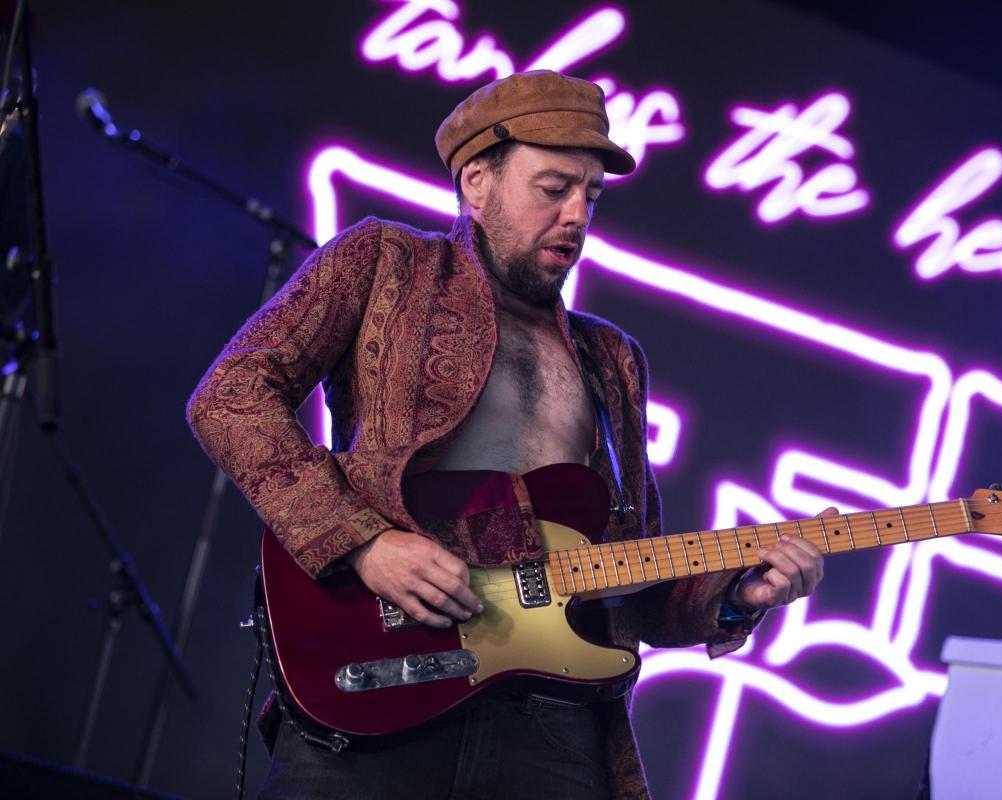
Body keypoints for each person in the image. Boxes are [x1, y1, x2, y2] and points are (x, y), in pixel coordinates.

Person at [187, 70, 825, 800]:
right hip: (378, 689)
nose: (578, 215)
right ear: (477, 182)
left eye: (592, 195)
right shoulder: (383, 263)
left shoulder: (612, 359)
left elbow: (627, 581)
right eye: (553, 188)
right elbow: (230, 396)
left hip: (550, 733)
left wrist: (740, 595)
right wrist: (363, 542)